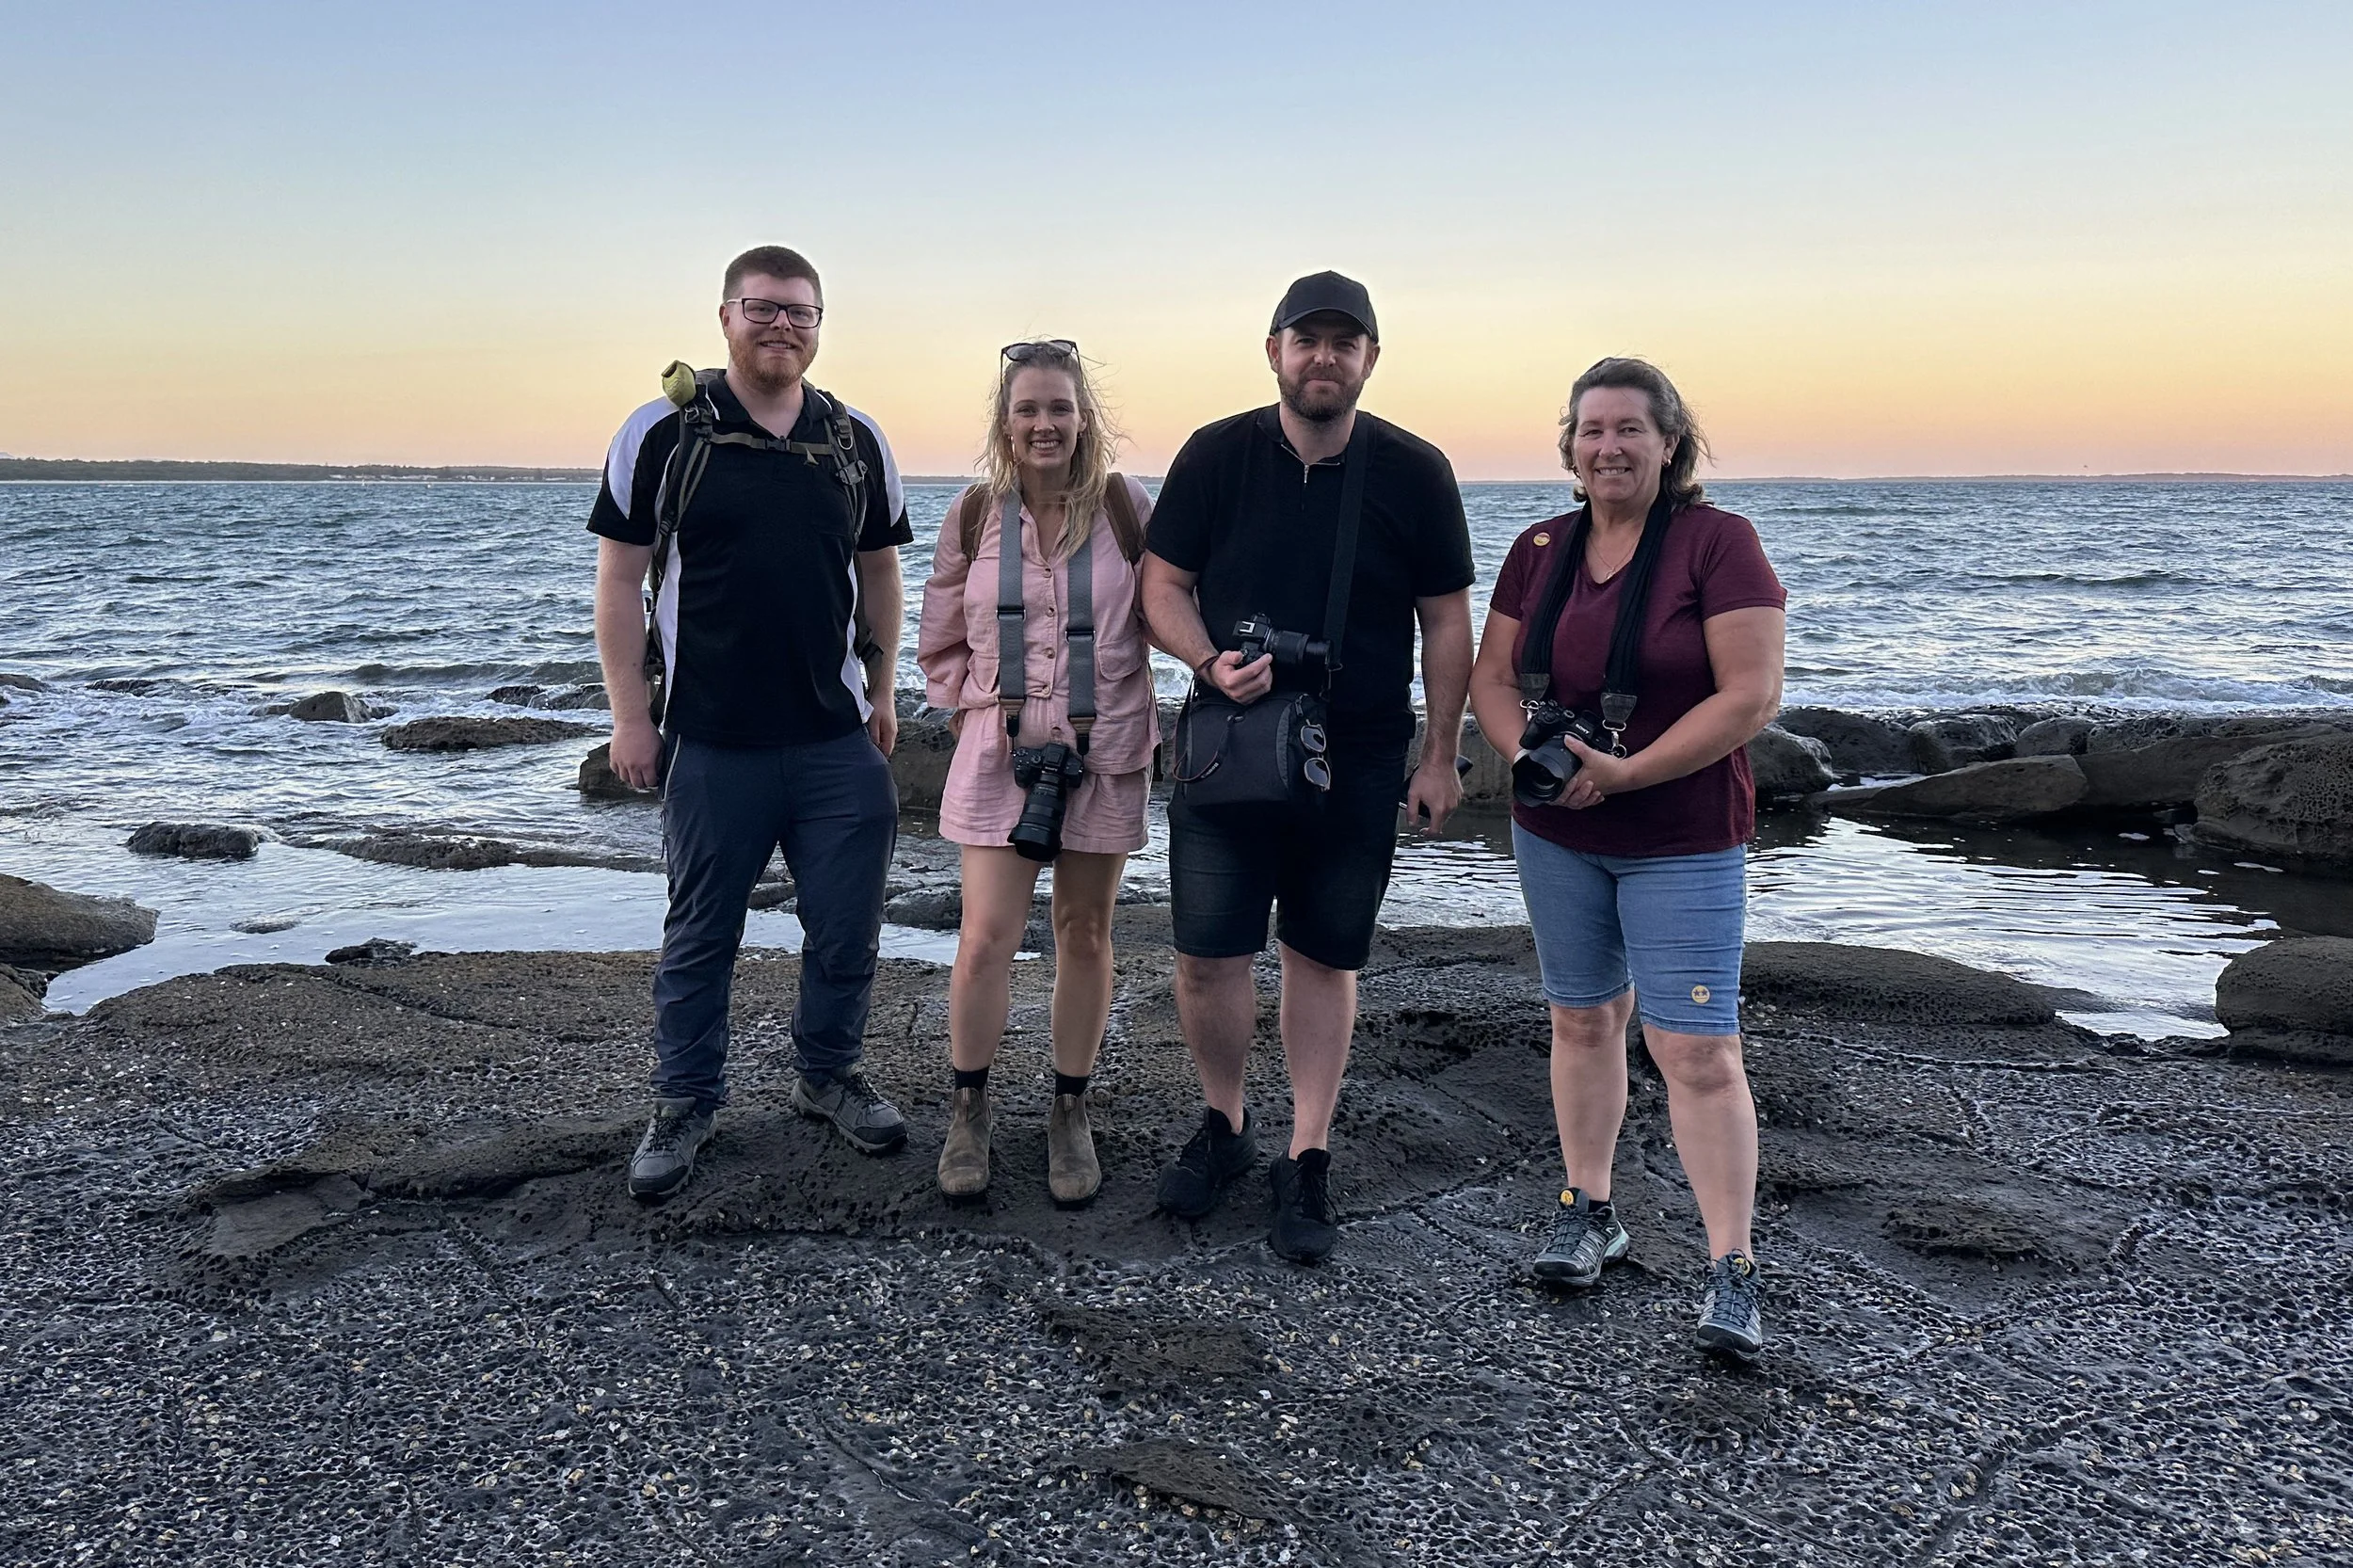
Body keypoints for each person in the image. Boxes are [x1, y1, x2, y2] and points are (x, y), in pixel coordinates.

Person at [1140, 271, 1475, 1262]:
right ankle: (1227, 1124)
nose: (1323, 356)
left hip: (1362, 750)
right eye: (1305, 339)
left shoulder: (1414, 470)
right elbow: (1161, 584)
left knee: (1323, 956)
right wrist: (1205, 660)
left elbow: (1446, 617)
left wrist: (1441, 751)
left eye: (1344, 341)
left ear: (1370, 357)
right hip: (1226, 742)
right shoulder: (1213, 454)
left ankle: (1308, 1149)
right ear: (1274, 350)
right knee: (1206, 956)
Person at [1466, 356, 1787, 1357]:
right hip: (1559, 830)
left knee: (1694, 1050)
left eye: (1629, 430)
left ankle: (1730, 1265)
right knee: (1579, 1017)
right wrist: (1531, 757)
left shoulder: (1717, 542)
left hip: (1679, 835)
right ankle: (1589, 1206)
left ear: (1669, 441)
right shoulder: (1539, 547)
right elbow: (1489, 679)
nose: (1608, 447)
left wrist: (1629, 770)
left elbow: (1750, 695)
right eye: (1591, 430)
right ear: (1568, 445)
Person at [590, 244, 915, 1200]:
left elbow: (880, 572)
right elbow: (618, 582)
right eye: (763, 309)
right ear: (725, 315)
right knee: (701, 931)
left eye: (800, 313)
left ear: (820, 326)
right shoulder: (662, 430)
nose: (783, 326)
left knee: (848, 926)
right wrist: (630, 717)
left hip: (833, 739)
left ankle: (828, 1073)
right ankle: (686, 1099)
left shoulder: (855, 439)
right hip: (711, 739)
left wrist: (886, 692)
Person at [916, 341, 1157, 1205]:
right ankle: (969, 1108)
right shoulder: (975, 513)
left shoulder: (1130, 510)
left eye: (1059, 408)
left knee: (1084, 934)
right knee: (984, 938)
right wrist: (983, 714)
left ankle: (1068, 1111)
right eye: (1028, 410)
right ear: (1005, 421)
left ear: (1083, 416)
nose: (1044, 424)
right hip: (999, 753)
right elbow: (938, 639)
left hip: (1106, 752)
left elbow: (1167, 613)